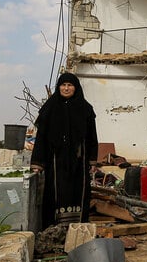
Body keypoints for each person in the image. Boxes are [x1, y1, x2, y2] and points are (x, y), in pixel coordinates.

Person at [30, 72, 99, 229]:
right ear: (58, 87)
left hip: (78, 162)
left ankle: (77, 228)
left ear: (76, 88)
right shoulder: (49, 108)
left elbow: (92, 137)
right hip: (55, 161)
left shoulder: (86, 109)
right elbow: (41, 138)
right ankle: (54, 229)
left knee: (78, 192)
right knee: (55, 193)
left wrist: (92, 160)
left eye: (70, 85)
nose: (66, 88)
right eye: (63, 85)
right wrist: (37, 162)